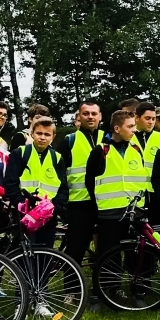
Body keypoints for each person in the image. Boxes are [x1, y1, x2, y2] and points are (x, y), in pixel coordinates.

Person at [87, 109, 149, 254]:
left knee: (135, 256)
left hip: (134, 212)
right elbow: (89, 182)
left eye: (134, 126)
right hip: (109, 214)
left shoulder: (136, 149)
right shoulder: (101, 151)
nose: (134, 130)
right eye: (130, 126)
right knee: (109, 257)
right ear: (117, 128)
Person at [3, 115, 65, 247]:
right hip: (25, 212)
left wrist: (55, 207)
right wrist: (21, 203)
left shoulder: (57, 158)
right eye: (39, 133)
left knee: (45, 250)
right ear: (32, 134)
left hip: (48, 214)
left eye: (47, 134)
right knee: (25, 250)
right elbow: (10, 182)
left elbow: (63, 188)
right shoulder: (20, 153)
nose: (42, 137)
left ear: (53, 136)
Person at [56, 99, 103, 265]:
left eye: (94, 113)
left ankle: (104, 280)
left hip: (104, 201)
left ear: (100, 116)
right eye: (86, 113)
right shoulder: (69, 141)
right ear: (79, 116)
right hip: (79, 203)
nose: (90, 117)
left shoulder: (108, 138)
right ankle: (71, 280)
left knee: (106, 248)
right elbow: (58, 172)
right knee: (76, 247)